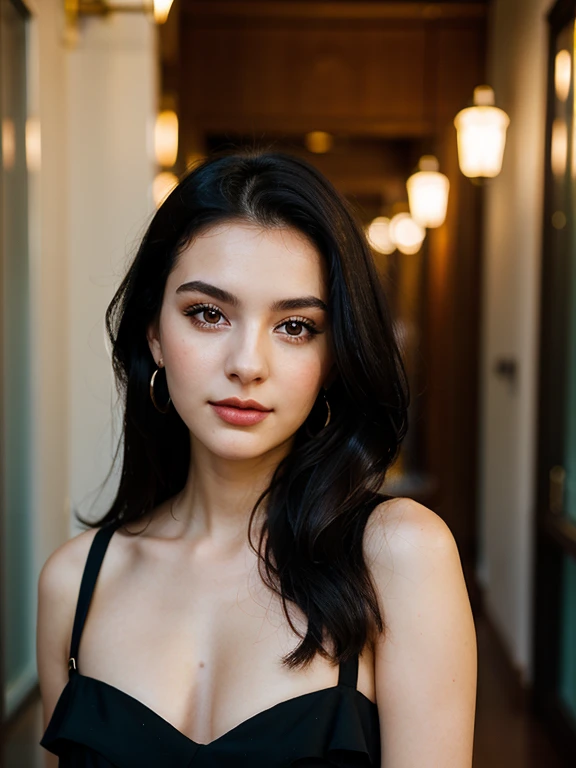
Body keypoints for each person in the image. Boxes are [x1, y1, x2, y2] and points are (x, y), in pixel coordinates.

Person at [36, 149, 477, 767]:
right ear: (154, 334)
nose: (247, 363)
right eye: (208, 314)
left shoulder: (398, 555)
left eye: (295, 326)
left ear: (334, 357)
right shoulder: (75, 583)